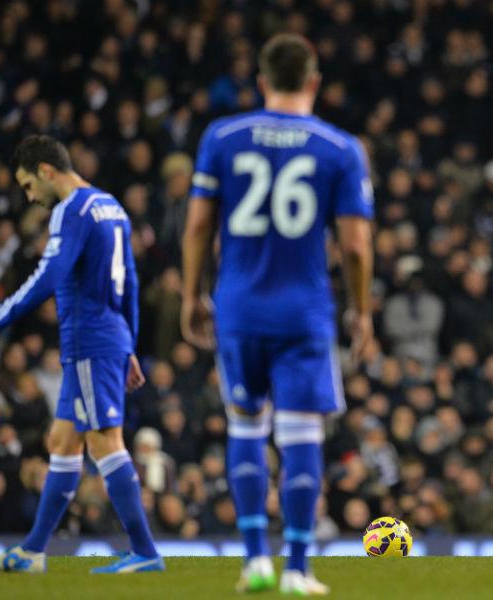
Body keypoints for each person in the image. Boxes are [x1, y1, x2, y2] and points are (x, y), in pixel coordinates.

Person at [181, 34, 373, 595]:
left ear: (261, 82)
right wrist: (361, 312)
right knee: (300, 433)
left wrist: (194, 295)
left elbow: (196, 226)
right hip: (304, 311)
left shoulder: (221, 136)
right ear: (314, 82)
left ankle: (253, 561)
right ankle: (296, 568)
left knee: (245, 424)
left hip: (238, 307)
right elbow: (357, 247)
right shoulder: (339, 148)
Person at [0, 135, 162, 573]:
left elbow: (48, 276)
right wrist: (130, 343)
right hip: (108, 336)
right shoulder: (111, 206)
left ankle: (146, 551)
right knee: (62, 441)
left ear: (45, 171)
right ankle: (34, 552)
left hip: (90, 341)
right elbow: (130, 281)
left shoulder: (70, 210)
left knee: (105, 443)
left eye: (26, 186)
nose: (28, 197)